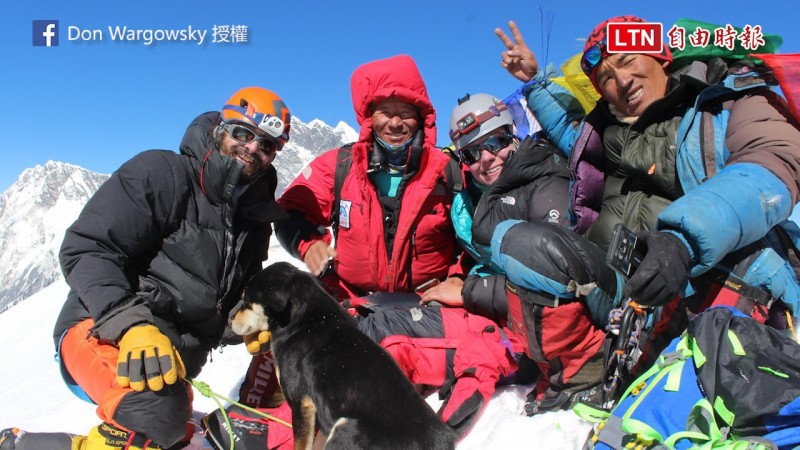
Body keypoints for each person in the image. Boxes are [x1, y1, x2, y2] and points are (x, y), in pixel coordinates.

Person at [491, 16, 800, 380]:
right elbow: (565, 124)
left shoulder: (727, 99)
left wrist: (682, 240)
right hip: (624, 294)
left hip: (704, 279)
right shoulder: (604, 134)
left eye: (627, 60)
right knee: (521, 240)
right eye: (605, 76)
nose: (621, 81)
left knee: (747, 259)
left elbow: (770, 162)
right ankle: (587, 372)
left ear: (661, 56)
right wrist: (535, 80)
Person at [0, 87, 292, 450]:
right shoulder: (162, 173)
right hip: (102, 331)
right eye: (243, 133)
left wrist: (248, 322)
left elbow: (218, 301)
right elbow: (87, 248)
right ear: (221, 128)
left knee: (163, 423)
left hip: (172, 363)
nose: (251, 149)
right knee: (153, 416)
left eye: (266, 145)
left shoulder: (252, 216)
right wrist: (132, 326)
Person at [420, 93, 620, 415]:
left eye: (496, 141)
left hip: (564, 324)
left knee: (530, 246)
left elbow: (552, 276)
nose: (487, 158)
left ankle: (582, 380)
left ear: (512, 135)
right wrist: (459, 278)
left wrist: (469, 291)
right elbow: (478, 258)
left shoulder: (544, 183)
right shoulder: (472, 199)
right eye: (473, 152)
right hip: (502, 312)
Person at [274, 54, 461, 299]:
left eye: (405, 112)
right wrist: (309, 246)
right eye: (384, 112)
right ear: (369, 118)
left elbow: (477, 237)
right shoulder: (338, 166)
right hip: (354, 302)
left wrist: (458, 277)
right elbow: (290, 212)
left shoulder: (447, 171)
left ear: (421, 117)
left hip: (430, 305)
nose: (395, 123)